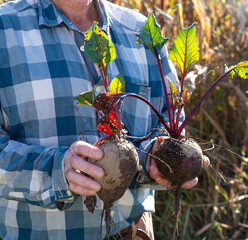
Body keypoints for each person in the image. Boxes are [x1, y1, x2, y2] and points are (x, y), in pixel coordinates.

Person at [0, 0, 209, 239]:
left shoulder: (139, 29)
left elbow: (169, 113)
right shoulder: (4, 28)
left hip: (133, 230)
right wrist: (57, 171)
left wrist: (159, 154)